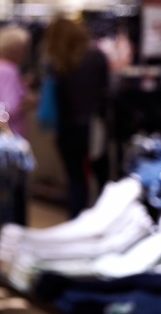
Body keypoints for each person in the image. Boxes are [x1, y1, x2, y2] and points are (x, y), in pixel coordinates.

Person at [44, 16, 110, 218]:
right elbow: (107, 94)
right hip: (93, 127)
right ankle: (101, 225)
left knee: (76, 182)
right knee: (102, 181)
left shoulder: (57, 65)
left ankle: (76, 225)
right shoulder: (96, 57)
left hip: (66, 130)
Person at [0, 25, 36, 138]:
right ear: (15, 49)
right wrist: (28, 102)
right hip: (9, 133)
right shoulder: (9, 70)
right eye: (23, 49)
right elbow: (11, 107)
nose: (25, 54)